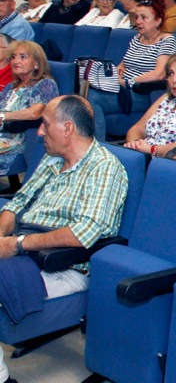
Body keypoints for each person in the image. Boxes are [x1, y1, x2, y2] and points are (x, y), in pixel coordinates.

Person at [0, 95, 127, 383]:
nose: (40, 132)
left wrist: (16, 245)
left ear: (68, 128)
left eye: (45, 124)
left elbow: (85, 233)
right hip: (25, 250)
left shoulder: (105, 168)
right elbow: (17, 202)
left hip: (62, 265)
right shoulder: (52, 158)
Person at [87, 0, 176, 141]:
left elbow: (159, 74)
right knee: (85, 93)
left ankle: (98, 148)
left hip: (144, 93)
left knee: (92, 98)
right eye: (137, 17)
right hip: (123, 89)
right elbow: (123, 65)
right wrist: (110, 78)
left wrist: (130, 81)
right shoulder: (137, 38)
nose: (139, 21)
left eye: (144, 18)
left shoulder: (167, 41)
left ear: (157, 21)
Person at [0, 41, 58, 171]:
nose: (16, 61)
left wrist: (3, 116)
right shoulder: (12, 86)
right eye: (13, 57)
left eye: (22, 57)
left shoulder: (45, 84)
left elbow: (35, 113)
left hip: (19, 139)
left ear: (37, 63)